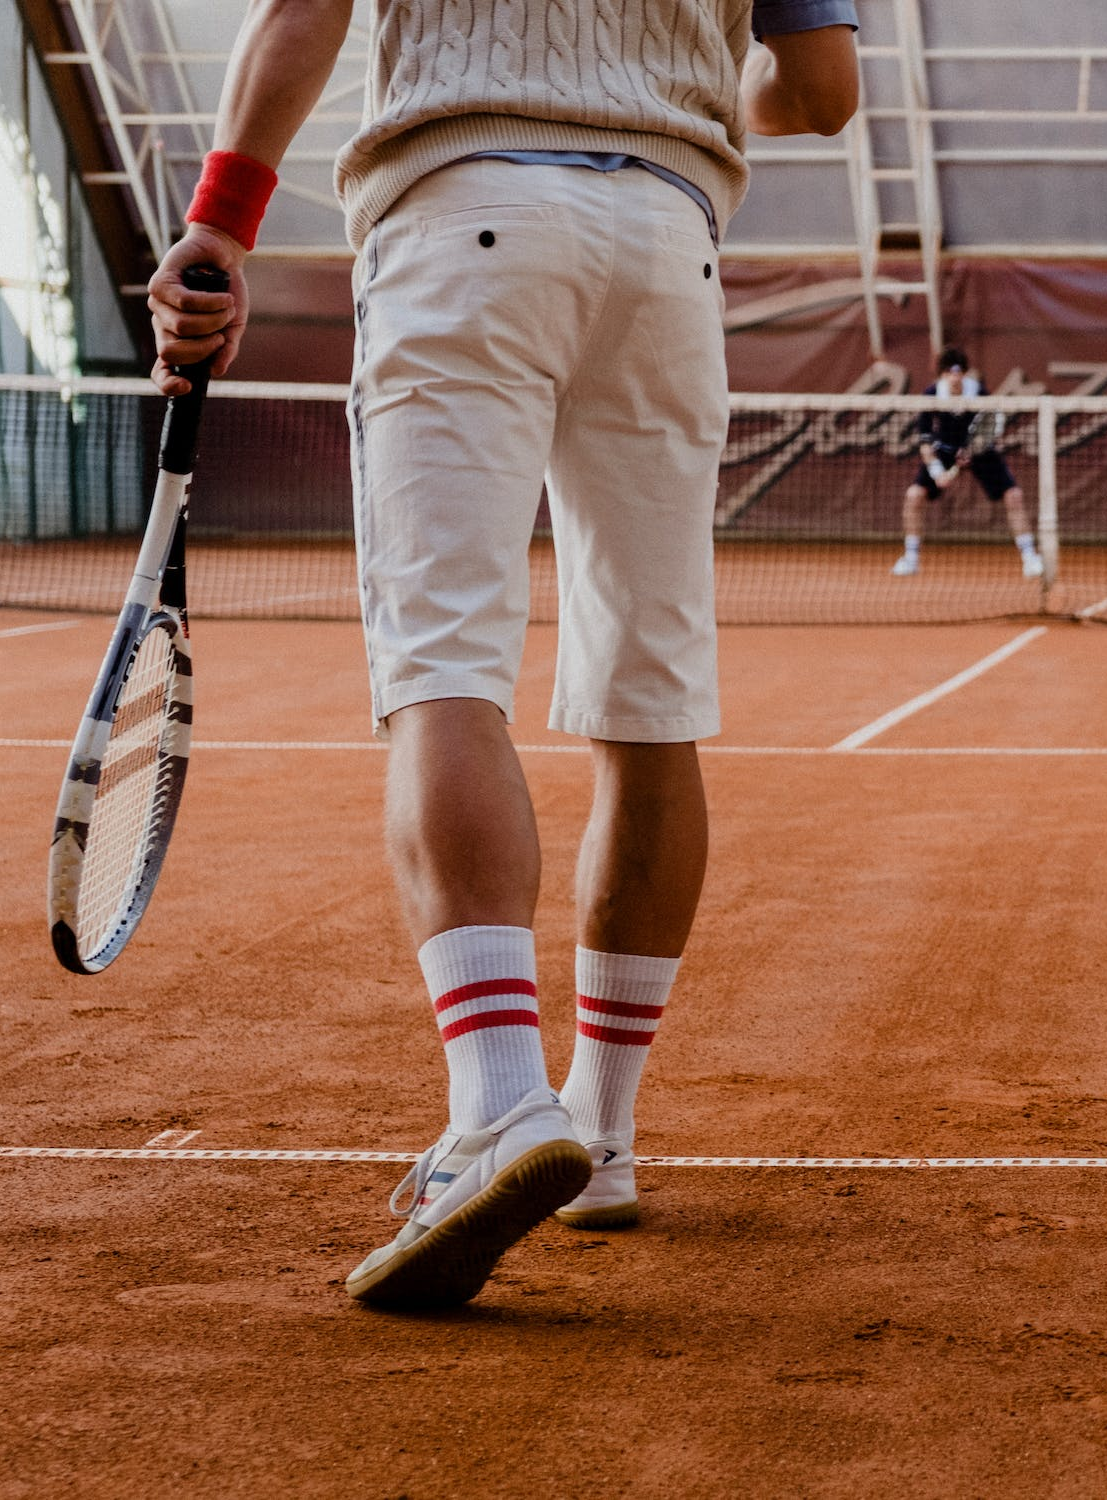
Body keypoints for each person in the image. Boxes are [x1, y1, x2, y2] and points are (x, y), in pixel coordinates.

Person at [145, 0, 858, 1310]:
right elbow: (819, 90)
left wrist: (220, 223)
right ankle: (603, 1132)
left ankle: (497, 1107)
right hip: (666, 248)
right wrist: (692, 80)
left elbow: (307, 6)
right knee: (649, 709)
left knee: (443, 674)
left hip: (461, 219)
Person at [892, 348, 1042, 579]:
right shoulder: (931, 395)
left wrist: (974, 450)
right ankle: (910, 559)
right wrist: (936, 470)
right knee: (914, 496)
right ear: (942, 375)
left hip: (978, 451)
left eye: (959, 372)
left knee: (1014, 496)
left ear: (964, 373)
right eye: (949, 372)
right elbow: (924, 442)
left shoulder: (979, 393)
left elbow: (991, 426)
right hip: (943, 452)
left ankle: (1030, 557)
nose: (955, 377)